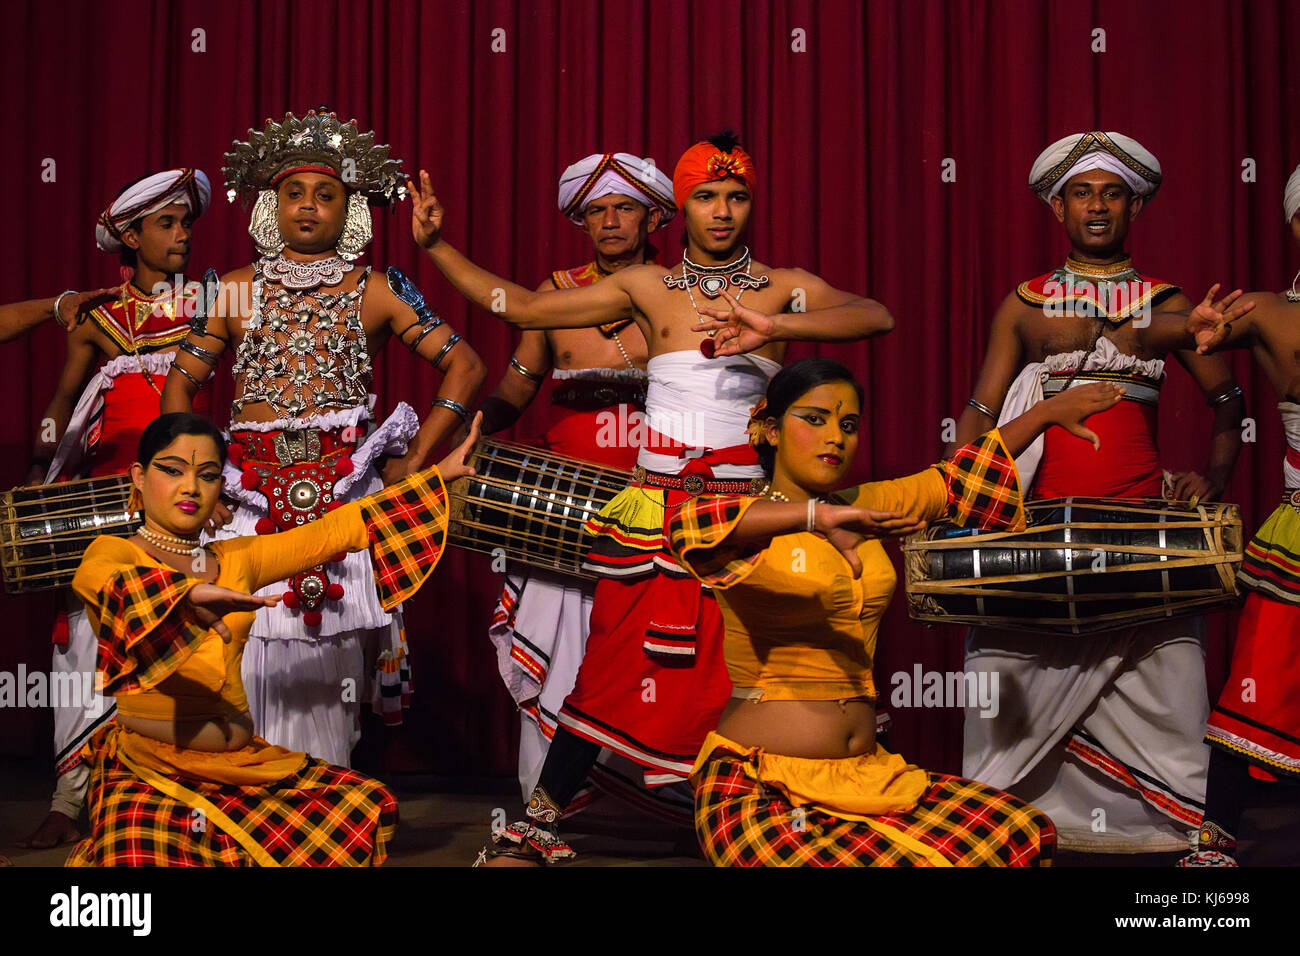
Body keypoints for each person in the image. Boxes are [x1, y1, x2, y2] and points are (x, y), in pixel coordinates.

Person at [411, 130, 895, 862]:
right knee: (610, 665)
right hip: (657, 509)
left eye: (735, 197)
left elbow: (874, 314)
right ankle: (542, 820)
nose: (722, 211)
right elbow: (520, 308)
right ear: (684, 207)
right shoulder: (648, 287)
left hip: (746, 515)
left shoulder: (779, 285)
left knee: (743, 672)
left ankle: (753, 808)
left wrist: (775, 325)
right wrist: (438, 248)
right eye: (706, 196)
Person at [665, 358, 1125, 865]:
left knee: (1019, 834)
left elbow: (955, 479)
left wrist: (1043, 413)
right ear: (770, 430)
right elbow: (689, 524)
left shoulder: (865, 503)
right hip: (763, 789)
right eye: (813, 419)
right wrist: (818, 517)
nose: (835, 438)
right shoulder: (749, 523)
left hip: (868, 777)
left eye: (848, 425)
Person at [950, 131, 1244, 853]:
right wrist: (959, 490)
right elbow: (982, 413)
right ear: (1058, 207)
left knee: (1168, 684)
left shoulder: (1161, 305)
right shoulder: (1025, 305)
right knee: (1008, 673)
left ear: (1135, 206)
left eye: (1113, 192)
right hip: (1038, 530)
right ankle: (1007, 827)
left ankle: (1173, 833)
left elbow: (1227, 397)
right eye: (1082, 192)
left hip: (1142, 529)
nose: (1098, 206)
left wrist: (1212, 478)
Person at [163, 109, 486, 766]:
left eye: (327, 194)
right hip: (246, 502)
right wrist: (195, 475)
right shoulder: (230, 292)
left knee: (330, 678)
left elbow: (468, 365)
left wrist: (417, 465)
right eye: (293, 193)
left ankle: (316, 819)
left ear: (351, 210)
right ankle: (249, 818)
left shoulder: (377, 290)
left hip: (342, 503)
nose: (308, 206)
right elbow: (177, 390)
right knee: (244, 655)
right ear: (269, 207)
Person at [66, 410, 478, 865]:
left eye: (207, 475)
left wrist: (436, 476)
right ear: (138, 477)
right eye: (172, 470)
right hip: (149, 773)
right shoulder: (113, 554)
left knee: (361, 807)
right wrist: (184, 597)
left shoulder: (236, 558)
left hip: (241, 767)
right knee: (142, 854)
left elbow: (336, 531)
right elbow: (109, 587)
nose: (190, 488)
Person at [481, 151, 693, 817]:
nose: (609, 221)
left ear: (653, 216)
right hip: (561, 508)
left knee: (644, 650)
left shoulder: (680, 291)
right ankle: (550, 807)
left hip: (659, 500)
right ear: (579, 221)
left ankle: (645, 803)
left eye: (623, 208)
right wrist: (464, 438)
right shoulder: (551, 296)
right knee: (563, 644)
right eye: (595, 211)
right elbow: (517, 386)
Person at [20, 168, 214, 851]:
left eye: (186, 222)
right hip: (104, 499)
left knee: (191, 639)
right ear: (130, 237)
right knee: (82, 642)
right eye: (167, 223)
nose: (183, 235)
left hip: (195, 502)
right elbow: (60, 407)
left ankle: (181, 796)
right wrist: (43, 469)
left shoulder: (216, 306)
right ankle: (72, 796)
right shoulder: (98, 320)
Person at [1148, 165, 1300, 865]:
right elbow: (1144, 334)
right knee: (1261, 682)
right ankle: (1217, 832)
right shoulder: (1272, 312)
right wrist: (1188, 325)